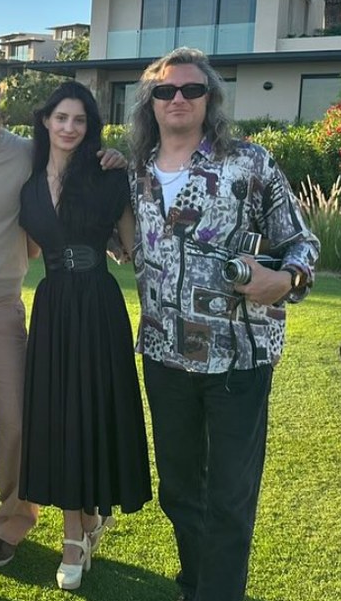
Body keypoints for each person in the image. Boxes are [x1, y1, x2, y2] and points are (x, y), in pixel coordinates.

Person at [128, 47, 319, 601]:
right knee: (180, 490)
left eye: (191, 89)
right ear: (151, 103)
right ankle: (197, 584)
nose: (178, 99)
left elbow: (300, 243)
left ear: (210, 99)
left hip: (238, 355)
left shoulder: (249, 163)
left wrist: (283, 281)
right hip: (164, 354)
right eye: (165, 91)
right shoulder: (137, 172)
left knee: (231, 495)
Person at [0, 56, 126, 568]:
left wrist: (111, 157)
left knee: (16, 425)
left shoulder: (26, 153)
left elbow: (66, 172)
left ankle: (13, 522)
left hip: (4, 307)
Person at [17, 81, 152, 590]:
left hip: (97, 304)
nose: (69, 127)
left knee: (89, 410)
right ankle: (86, 523)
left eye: (79, 120)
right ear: (46, 121)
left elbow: (132, 246)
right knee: (60, 413)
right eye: (61, 118)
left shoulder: (106, 173)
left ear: (89, 126)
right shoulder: (28, 183)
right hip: (52, 308)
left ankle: (76, 536)